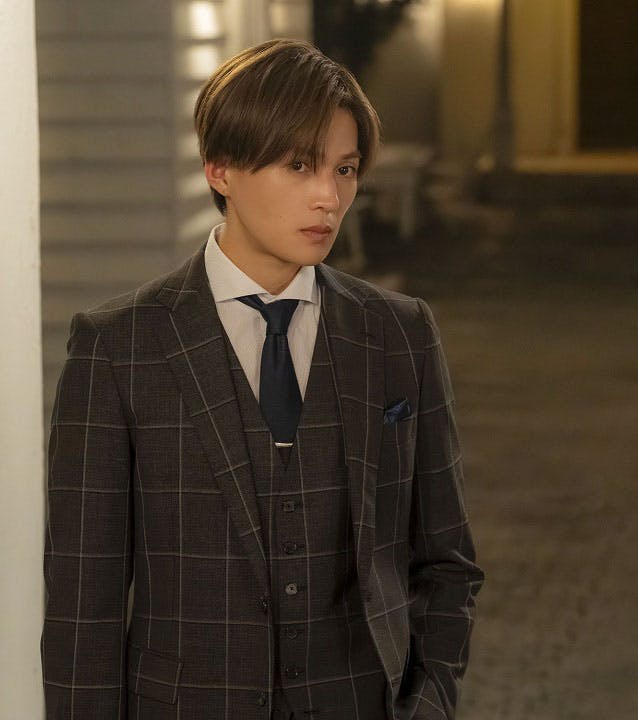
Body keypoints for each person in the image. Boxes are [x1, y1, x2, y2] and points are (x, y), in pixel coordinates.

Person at [41, 39, 482, 720]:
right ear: (220, 169)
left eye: (345, 169)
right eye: (299, 165)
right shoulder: (118, 347)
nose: (329, 196)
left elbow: (447, 563)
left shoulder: (400, 333)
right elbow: (83, 605)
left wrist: (426, 704)